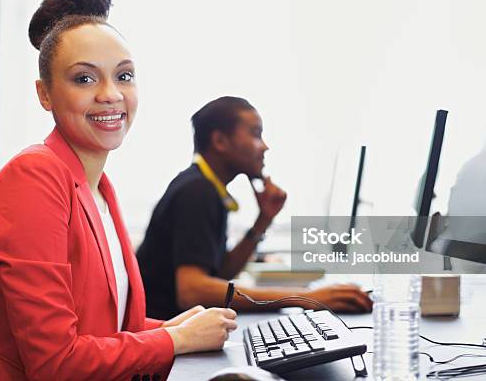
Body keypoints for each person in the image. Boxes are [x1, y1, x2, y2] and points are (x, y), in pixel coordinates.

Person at [0, 0, 236, 381]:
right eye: (84, 79)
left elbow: (101, 332)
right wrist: (176, 341)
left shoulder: (98, 188)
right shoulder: (33, 178)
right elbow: (56, 364)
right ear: (45, 94)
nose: (110, 95)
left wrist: (171, 329)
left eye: (124, 76)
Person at [136, 96, 373, 320]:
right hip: (164, 337)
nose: (265, 146)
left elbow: (218, 276)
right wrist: (304, 297)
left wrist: (264, 220)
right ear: (220, 141)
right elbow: (192, 292)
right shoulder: (197, 191)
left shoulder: (206, 187)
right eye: (256, 134)